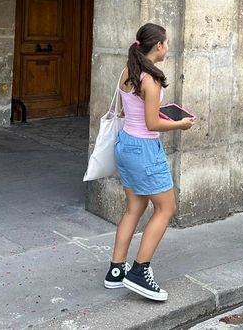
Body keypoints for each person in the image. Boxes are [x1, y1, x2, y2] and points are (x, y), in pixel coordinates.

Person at [103, 23, 195, 301]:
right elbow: (152, 122)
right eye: (166, 43)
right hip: (144, 149)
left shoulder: (127, 72)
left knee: (134, 207)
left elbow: (130, 110)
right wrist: (180, 124)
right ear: (158, 46)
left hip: (126, 144)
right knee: (166, 208)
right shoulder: (150, 80)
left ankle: (116, 270)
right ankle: (140, 271)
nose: (168, 47)